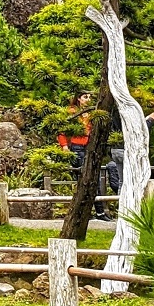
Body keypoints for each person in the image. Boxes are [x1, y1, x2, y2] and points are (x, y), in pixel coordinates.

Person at [57, 90, 113, 221]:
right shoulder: (72, 112)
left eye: (89, 97)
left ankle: (98, 212)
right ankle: (88, 212)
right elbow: (62, 130)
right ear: (79, 98)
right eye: (85, 97)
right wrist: (64, 146)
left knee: (94, 178)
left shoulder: (93, 113)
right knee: (85, 179)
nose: (88, 99)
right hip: (77, 147)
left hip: (90, 146)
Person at [106, 109, 154, 195]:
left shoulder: (114, 111)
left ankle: (121, 204)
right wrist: (150, 120)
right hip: (127, 150)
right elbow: (138, 130)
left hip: (115, 149)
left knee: (122, 181)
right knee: (133, 181)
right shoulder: (127, 110)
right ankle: (131, 205)